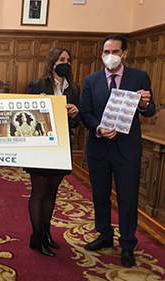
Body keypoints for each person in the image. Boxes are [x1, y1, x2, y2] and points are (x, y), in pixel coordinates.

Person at [80, 34, 156, 267]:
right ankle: (104, 235)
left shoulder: (139, 76)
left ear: (125, 53)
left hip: (127, 149)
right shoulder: (91, 80)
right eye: (106, 52)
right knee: (100, 196)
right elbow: (85, 113)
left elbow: (150, 109)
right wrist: (99, 128)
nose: (110, 56)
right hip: (99, 147)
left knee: (127, 198)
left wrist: (144, 104)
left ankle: (127, 244)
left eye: (115, 52)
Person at [26, 47, 80, 257]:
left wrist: (75, 114)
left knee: (52, 192)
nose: (65, 62)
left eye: (68, 59)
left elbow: (75, 123)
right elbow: (26, 117)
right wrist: (36, 105)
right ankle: (36, 236)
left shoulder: (73, 88)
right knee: (38, 192)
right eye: (61, 59)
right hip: (41, 145)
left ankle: (47, 233)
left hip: (61, 145)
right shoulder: (37, 85)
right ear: (52, 63)